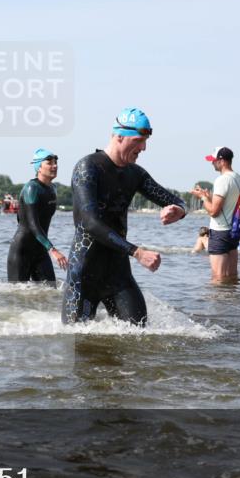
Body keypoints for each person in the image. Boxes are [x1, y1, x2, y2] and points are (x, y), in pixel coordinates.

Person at [61, 107, 187, 325]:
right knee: (78, 345)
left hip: (118, 274)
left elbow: (175, 200)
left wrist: (180, 210)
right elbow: (89, 222)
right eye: (139, 140)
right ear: (119, 137)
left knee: (139, 335)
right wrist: (137, 252)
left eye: (146, 141)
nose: (144, 148)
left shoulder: (135, 174)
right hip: (84, 274)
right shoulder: (88, 167)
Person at [7, 148, 68, 283]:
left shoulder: (53, 189)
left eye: (56, 162)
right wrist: (52, 250)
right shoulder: (31, 188)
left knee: (50, 292)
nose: (55, 166)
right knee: (17, 296)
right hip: (22, 250)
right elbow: (32, 224)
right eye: (49, 163)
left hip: (40, 250)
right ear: (38, 167)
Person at [191, 147, 240, 281]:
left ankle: (218, 302)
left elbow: (214, 212)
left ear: (221, 161)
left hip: (220, 231)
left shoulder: (222, 180)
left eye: (214, 160)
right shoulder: (239, 179)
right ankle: (231, 301)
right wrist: (209, 197)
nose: (212, 163)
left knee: (218, 277)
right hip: (234, 231)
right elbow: (231, 205)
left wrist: (202, 198)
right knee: (232, 276)